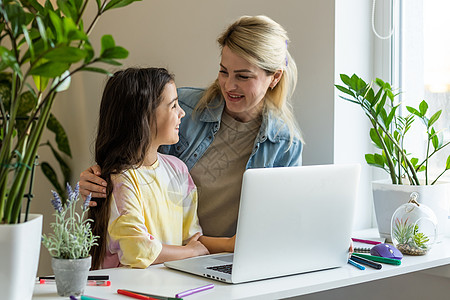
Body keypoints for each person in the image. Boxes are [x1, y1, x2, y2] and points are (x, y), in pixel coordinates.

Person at [81, 15, 304, 239]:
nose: (229, 85)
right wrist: (97, 180)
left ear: (274, 77)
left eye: (243, 76)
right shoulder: (184, 108)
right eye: (224, 71)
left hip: (231, 261)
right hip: (164, 255)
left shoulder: (285, 144)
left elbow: (279, 223)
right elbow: (133, 169)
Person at [89, 68, 235, 270]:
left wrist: (230, 244)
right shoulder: (121, 180)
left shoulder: (178, 170)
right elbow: (137, 249)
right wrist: (192, 252)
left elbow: (190, 238)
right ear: (144, 116)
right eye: (173, 105)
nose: (182, 113)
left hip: (168, 284)